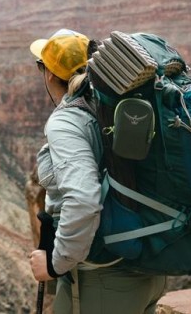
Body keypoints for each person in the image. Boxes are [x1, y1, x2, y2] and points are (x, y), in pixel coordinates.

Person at [27, 29, 166, 314]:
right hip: (146, 270)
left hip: (102, 280)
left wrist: (56, 263)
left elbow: (83, 200)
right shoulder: (113, 105)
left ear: (49, 75)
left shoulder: (67, 122)